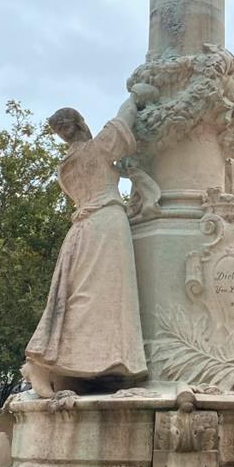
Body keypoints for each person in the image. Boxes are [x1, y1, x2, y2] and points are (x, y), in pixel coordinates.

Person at [23, 97, 147, 395]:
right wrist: (138, 95)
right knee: (101, 297)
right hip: (106, 224)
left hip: (81, 229)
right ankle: (58, 363)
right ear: (81, 124)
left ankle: (65, 362)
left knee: (80, 295)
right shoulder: (96, 149)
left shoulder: (64, 167)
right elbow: (122, 121)